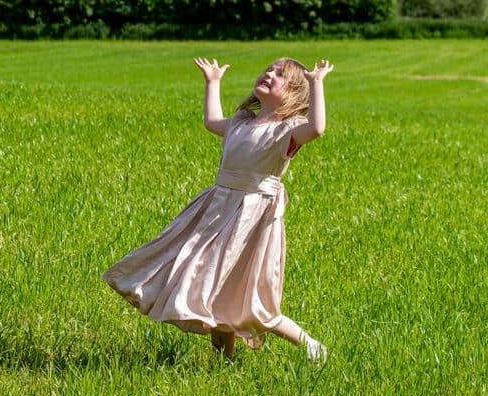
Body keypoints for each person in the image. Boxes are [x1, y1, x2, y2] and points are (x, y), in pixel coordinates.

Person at [102, 55, 333, 364]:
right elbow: (212, 122)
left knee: (251, 299)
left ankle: (309, 345)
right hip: (217, 209)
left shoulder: (288, 131)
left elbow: (317, 129)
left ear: (293, 93)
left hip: (252, 218)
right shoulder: (241, 121)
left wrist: (316, 84)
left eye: (279, 75)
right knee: (211, 286)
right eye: (267, 70)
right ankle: (223, 363)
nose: (269, 74)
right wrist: (213, 82)